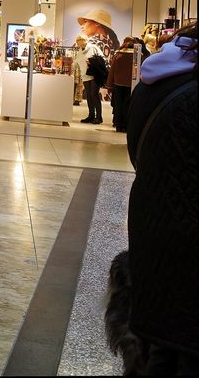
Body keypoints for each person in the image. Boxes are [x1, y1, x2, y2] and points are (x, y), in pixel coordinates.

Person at [106, 22, 197, 374]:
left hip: (152, 243)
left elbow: (138, 155)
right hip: (187, 269)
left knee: (155, 352)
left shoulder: (156, 79)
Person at [106, 37, 138, 133]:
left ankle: (118, 124)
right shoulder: (137, 55)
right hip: (131, 84)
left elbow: (112, 70)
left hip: (118, 83)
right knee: (127, 105)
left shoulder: (118, 54)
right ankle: (125, 125)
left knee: (118, 104)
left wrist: (109, 85)